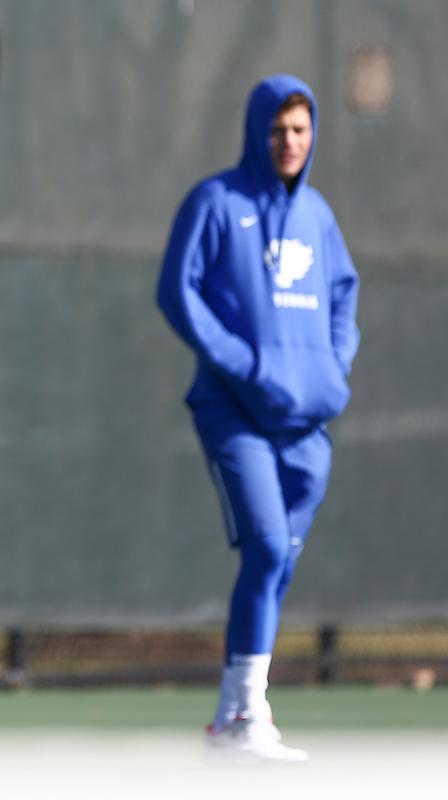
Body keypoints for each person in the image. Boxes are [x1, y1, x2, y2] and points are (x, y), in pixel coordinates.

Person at [157, 75, 360, 765]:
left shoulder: (320, 218)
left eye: (301, 130)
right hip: (233, 413)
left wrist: (332, 369)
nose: (290, 142)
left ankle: (233, 717)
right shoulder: (216, 202)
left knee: (278, 566)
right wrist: (245, 363)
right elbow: (176, 290)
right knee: (268, 550)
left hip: (309, 424)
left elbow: (342, 296)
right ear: (256, 131)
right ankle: (244, 714)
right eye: (278, 130)